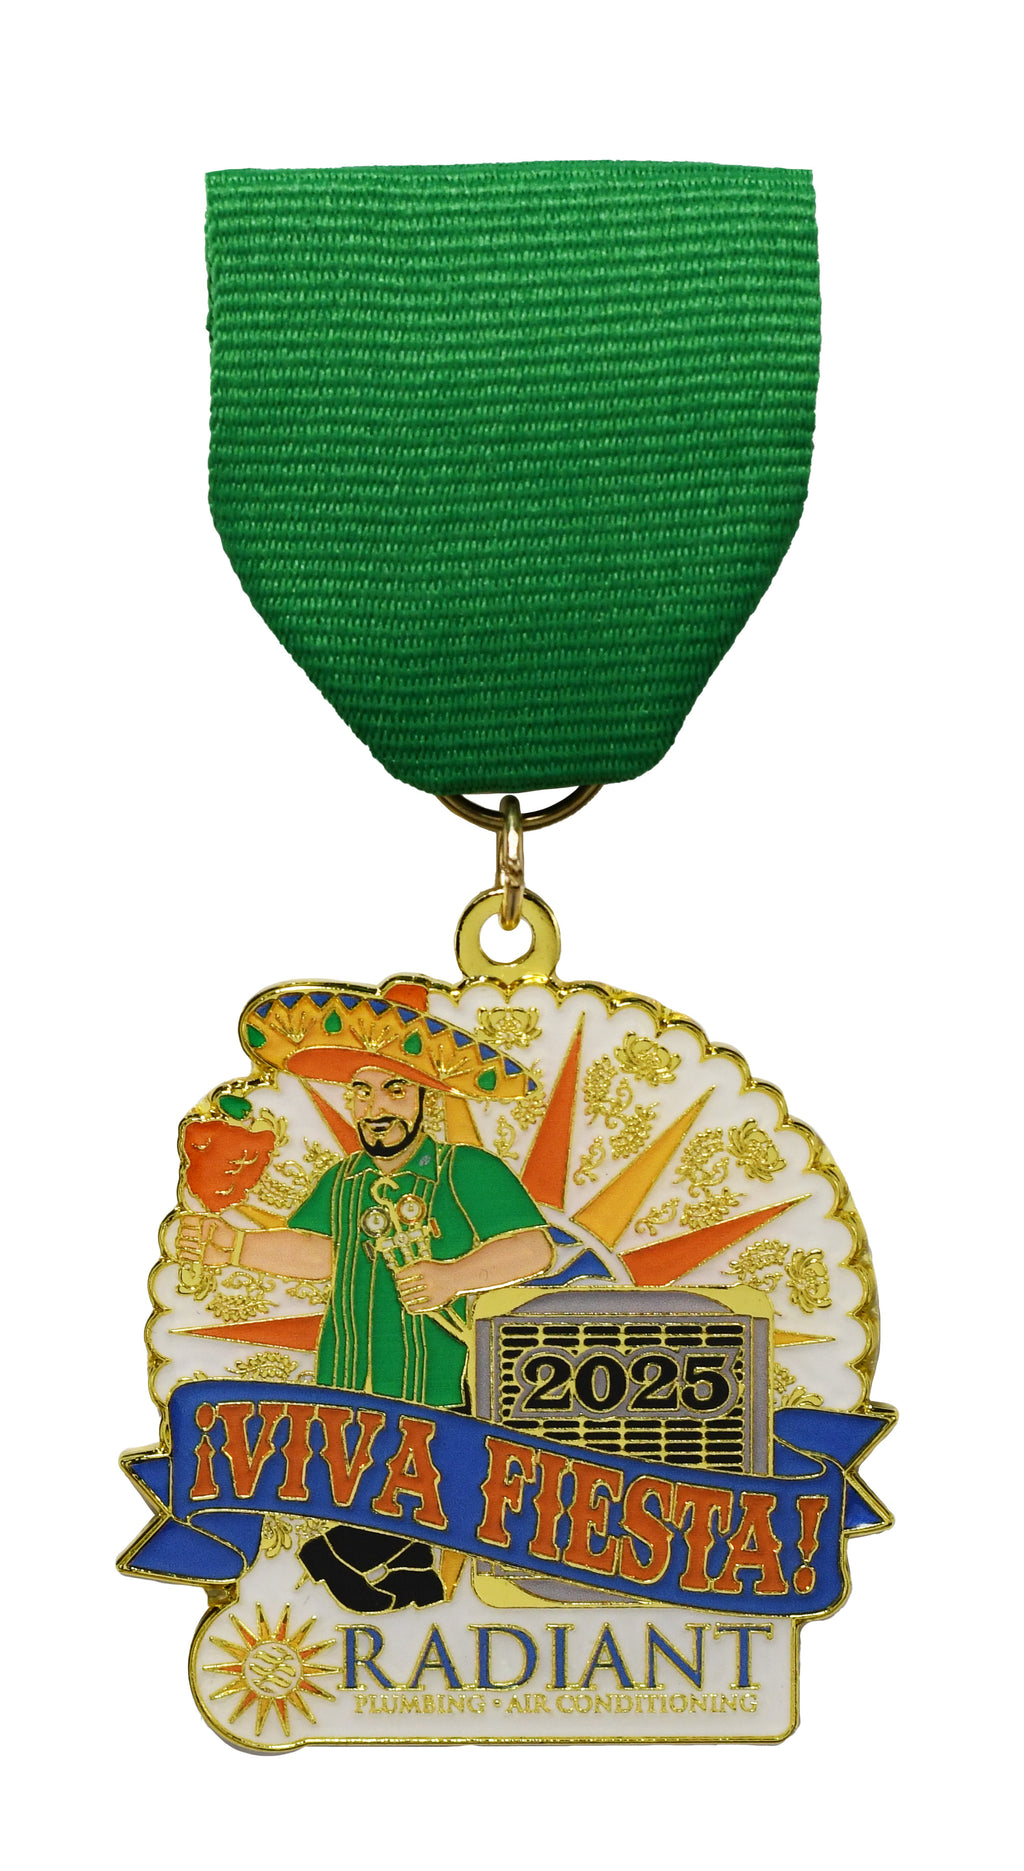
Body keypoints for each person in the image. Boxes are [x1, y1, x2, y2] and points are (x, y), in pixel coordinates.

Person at [178, 986, 552, 1611]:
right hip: (351, 1371)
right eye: (362, 1091)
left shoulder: (465, 1170)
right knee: (385, 1482)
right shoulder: (344, 1178)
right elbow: (322, 1255)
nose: (376, 1108)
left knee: (446, 1479)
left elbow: (534, 1249)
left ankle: (332, 1555)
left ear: (426, 1098)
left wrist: (454, 1275)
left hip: (443, 1371)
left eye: (395, 1091)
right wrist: (236, 1247)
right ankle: (413, 1579)